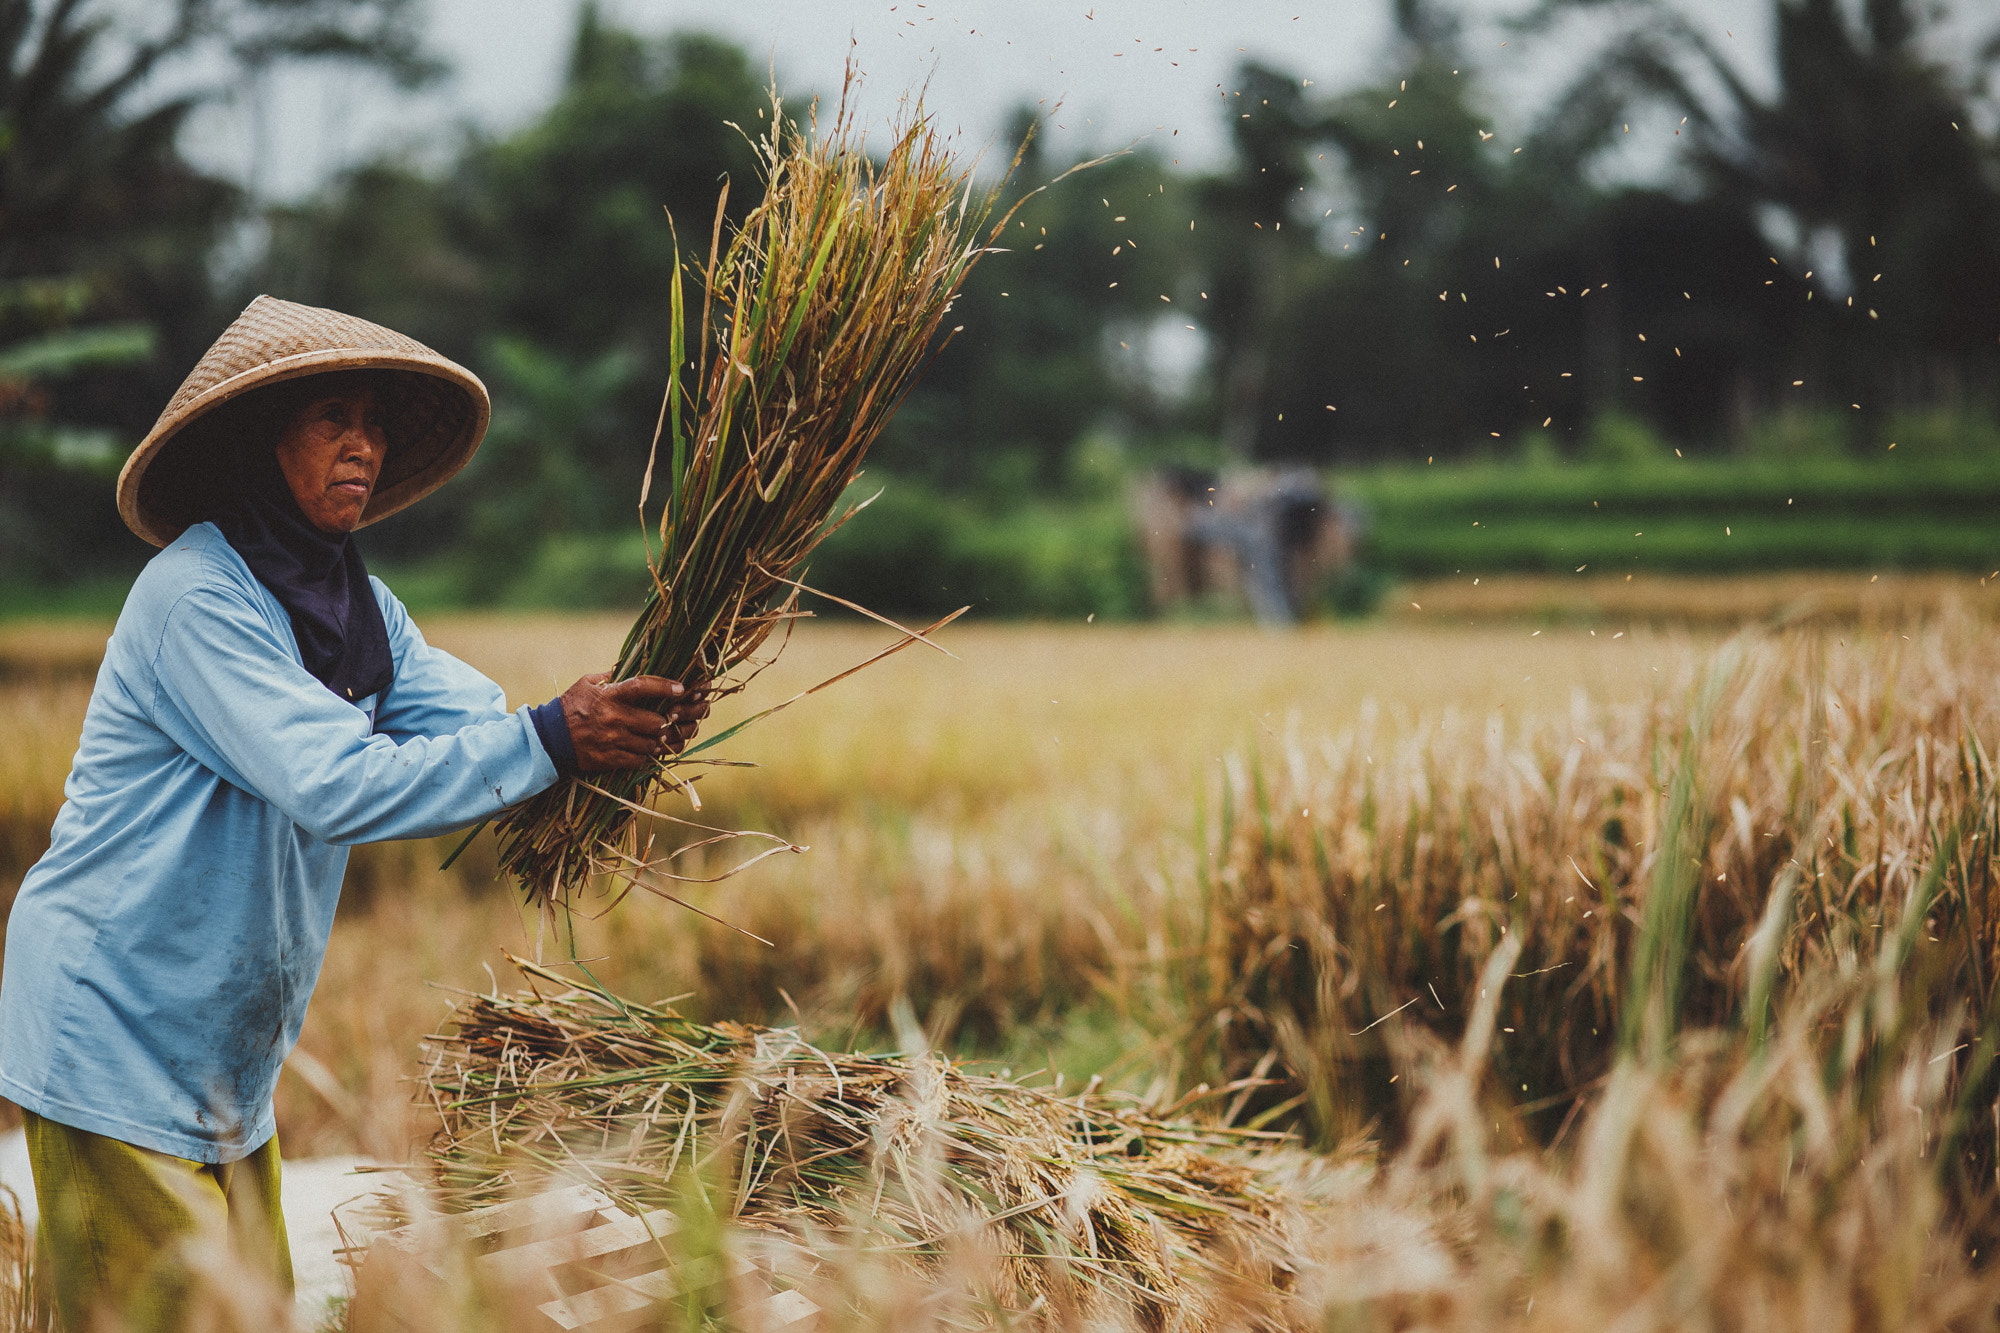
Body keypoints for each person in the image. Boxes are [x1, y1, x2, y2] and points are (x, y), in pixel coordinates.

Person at [0, 296, 703, 1327]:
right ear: (258, 440)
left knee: (251, 1312)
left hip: (220, 1063)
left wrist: (612, 732)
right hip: (116, 1030)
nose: (362, 445)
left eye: (372, 423)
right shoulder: (198, 598)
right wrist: (554, 735)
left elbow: (474, 724)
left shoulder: (355, 610)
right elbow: (336, 781)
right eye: (333, 416)